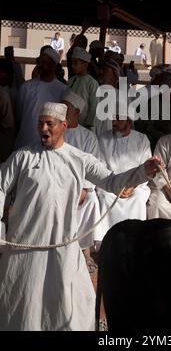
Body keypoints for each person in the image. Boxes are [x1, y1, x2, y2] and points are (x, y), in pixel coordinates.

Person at [0, 102, 162, 331]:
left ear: (64, 126)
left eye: (50, 124)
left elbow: (113, 182)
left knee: (68, 300)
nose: (43, 129)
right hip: (26, 243)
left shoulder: (79, 159)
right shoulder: (23, 156)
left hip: (62, 243)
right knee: (23, 299)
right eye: (40, 124)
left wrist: (143, 171)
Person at [96, 108, 151, 244]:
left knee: (138, 198)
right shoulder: (103, 138)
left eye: (119, 119)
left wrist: (132, 186)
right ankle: (106, 243)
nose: (114, 122)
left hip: (135, 186)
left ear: (129, 121)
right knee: (104, 197)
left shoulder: (142, 139)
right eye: (113, 119)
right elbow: (99, 167)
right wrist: (115, 186)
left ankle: (135, 241)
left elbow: (147, 168)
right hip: (109, 184)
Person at [62, 90, 102, 272]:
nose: (62, 111)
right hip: (56, 185)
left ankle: (85, 253)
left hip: (79, 189)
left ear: (77, 112)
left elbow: (93, 168)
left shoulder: (88, 138)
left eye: (66, 109)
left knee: (91, 201)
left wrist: (84, 189)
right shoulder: (55, 131)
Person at [15, 47, 66, 149]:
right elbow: (18, 116)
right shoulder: (26, 87)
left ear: (54, 66)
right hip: (24, 143)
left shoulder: (63, 90)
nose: (39, 65)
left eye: (44, 63)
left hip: (49, 145)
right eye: (39, 62)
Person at [67, 47, 99, 130]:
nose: (72, 66)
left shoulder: (92, 83)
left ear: (85, 64)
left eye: (76, 63)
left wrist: (89, 126)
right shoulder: (71, 81)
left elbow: (94, 107)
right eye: (72, 63)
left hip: (85, 127)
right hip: (70, 124)